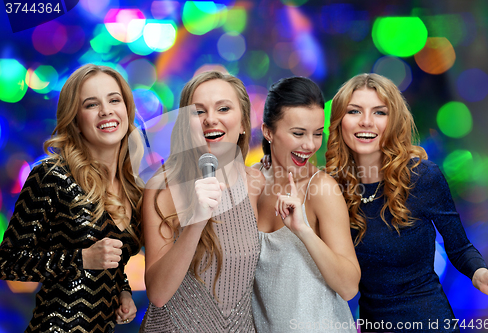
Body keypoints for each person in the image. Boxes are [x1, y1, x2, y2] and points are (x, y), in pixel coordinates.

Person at [324, 73, 488, 332]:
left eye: (379, 112)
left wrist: (480, 274)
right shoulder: (329, 188)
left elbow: (460, 248)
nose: (366, 122)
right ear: (339, 121)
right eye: (354, 111)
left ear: (394, 121)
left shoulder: (423, 177)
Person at [0, 64, 142, 332]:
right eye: (91, 104)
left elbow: (110, 260)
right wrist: (81, 259)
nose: (106, 110)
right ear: (75, 118)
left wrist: (122, 290)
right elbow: (7, 262)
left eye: (114, 100)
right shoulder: (51, 176)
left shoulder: (133, 185)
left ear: (126, 108)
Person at [139, 71, 265, 332]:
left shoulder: (258, 184)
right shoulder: (163, 187)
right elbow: (158, 294)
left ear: (243, 122)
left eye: (223, 108)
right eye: (198, 112)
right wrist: (195, 222)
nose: (211, 119)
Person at [252, 76, 360, 333]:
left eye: (316, 134)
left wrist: (303, 230)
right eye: (298, 133)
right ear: (268, 132)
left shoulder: (321, 189)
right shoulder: (250, 182)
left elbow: (348, 287)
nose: (310, 145)